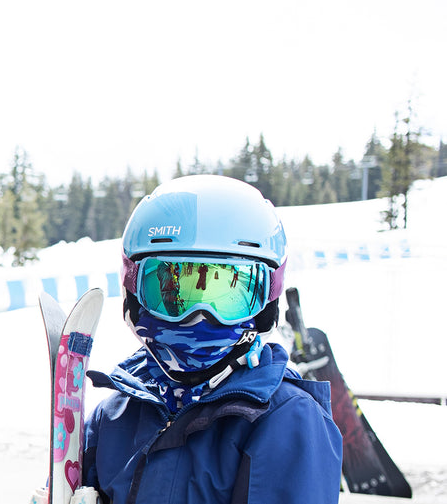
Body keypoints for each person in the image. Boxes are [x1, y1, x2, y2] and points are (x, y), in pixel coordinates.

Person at [79, 175, 342, 503]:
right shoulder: (114, 416)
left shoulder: (287, 421)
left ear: (265, 303)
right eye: (177, 293)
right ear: (134, 293)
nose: (201, 316)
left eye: (228, 292)